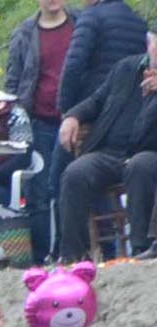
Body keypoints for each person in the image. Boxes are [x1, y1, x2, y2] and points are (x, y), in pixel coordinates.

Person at [60, 29, 157, 257]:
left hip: (150, 152)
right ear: (148, 44)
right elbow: (96, 100)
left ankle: (141, 247)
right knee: (75, 172)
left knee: (139, 165)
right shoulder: (126, 68)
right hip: (110, 151)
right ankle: (73, 255)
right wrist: (72, 116)